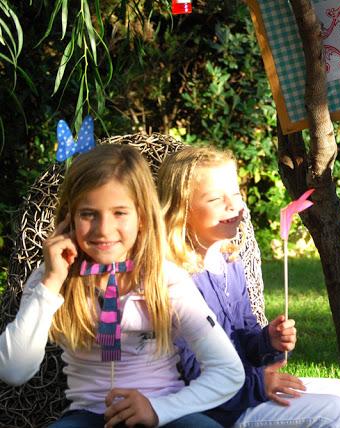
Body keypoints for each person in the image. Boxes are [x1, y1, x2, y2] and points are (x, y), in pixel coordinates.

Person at [0, 144, 244, 427]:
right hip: (88, 414)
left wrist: (160, 409)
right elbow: (14, 370)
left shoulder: (165, 279)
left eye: (119, 213)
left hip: (163, 410)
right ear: (69, 218)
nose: (103, 229)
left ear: (142, 217)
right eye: (88, 213)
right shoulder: (52, 278)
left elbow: (228, 371)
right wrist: (51, 283)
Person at [157, 146, 340, 428]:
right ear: (181, 208)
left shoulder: (228, 260)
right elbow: (192, 370)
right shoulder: (174, 276)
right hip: (218, 407)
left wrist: (268, 340)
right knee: (333, 411)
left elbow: (244, 336)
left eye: (235, 193)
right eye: (215, 199)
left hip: (247, 387)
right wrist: (259, 384)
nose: (233, 205)